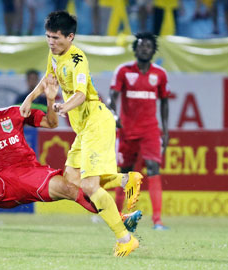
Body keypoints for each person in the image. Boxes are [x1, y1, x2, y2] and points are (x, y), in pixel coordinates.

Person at [0, 77, 143, 257]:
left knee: (74, 188)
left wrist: (50, 99)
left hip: (32, 175)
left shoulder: (14, 113)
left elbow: (51, 123)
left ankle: (120, 219)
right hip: (0, 186)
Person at [20, 11, 143, 255]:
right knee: (72, 181)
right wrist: (30, 98)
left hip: (96, 121)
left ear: (70, 37)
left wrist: (63, 106)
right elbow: (49, 78)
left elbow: (81, 94)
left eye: (56, 38)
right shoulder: (54, 54)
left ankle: (124, 238)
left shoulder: (77, 60)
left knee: (88, 185)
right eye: (48, 37)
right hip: (84, 128)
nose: (51, 42)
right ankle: (126, 180)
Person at [108, 32, 170, 230]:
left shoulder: (160, 74)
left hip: (151, 131)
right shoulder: (123, 71)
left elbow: (165, 102)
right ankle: (116, 215)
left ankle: (158, 221)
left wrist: (166, 130)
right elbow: (112, 99)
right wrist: (115, 116)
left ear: (153, 51)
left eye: (148, 46)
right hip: (127, 131)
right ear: (135, 49)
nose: (145, 49)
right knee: (125, 174)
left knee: (153, 168)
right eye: (141, 45)